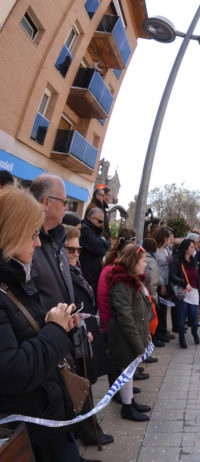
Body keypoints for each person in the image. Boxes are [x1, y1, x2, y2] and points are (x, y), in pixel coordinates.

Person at [0, 186, 87, 461]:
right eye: (33, 234)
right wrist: (54, 329)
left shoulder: (19, 276)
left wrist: (61, 325)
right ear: (13, 233)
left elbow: (29, 332)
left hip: (47, 416)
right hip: (30, 431)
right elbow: (12, 371)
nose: (38, 243)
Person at [62, 225, 114, 447]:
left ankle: (89, 430)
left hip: (86, 331)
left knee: (87, 383)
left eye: (78, 250)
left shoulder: (74, 270)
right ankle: (89, 432)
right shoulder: (62, 274)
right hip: (73, 337)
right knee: (80, 386)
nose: (75, 254)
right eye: (70, 250)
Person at [106, 244, 153, 422]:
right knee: (126, 371)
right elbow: (125, 318)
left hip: (132, 335)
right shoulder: (122, 284)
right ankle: (127, 407)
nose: (145, 265)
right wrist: (138, 344)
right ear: (133, 262)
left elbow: (139, 313)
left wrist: (145, 334)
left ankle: (130, 402)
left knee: (129, 372)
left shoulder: (133, 280)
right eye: (142, 261)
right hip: (123, 338)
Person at [29, 174, 74, 315]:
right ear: (46, 202)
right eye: (64, 201)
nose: (66, 207)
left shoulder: (58, 240)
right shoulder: (25, 244)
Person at [170, 239, 200, 348]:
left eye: (193, 247)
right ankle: (181, 338)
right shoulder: (177, 260)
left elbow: (197, 277)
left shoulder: (194, 261)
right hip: (182, 293)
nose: (194, 249)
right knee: (182, 317)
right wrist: (183, 283)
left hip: (194, 292)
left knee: (194, 316)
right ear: (186, 248)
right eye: (191, 247)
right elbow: (172, 276)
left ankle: (194, 333)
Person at [79, 208, 110, 294]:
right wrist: (103, 242)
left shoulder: (97, 231)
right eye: (100, 221)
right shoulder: (85, 229)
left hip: (95, 273)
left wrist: (103, 242)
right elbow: (99, 249)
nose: (102, 224)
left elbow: (108, 243)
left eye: (103, 222)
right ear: (92, 218)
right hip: (88, 274)